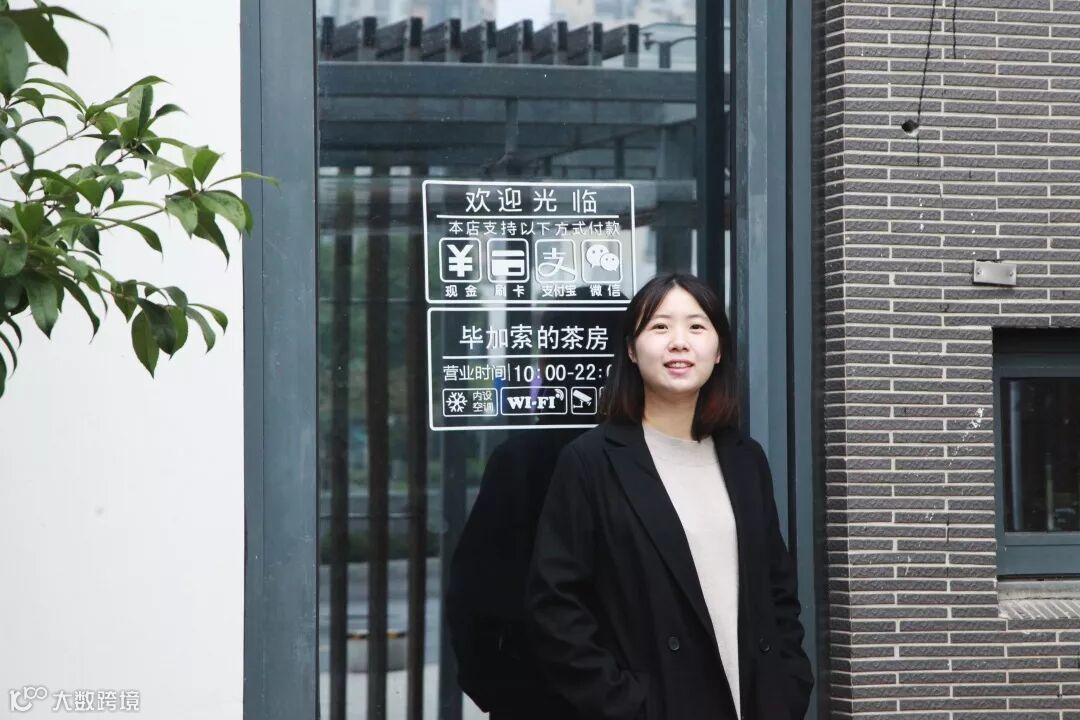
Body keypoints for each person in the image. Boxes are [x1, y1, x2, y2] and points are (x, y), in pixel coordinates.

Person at [525, 272, 814, 720]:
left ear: (718, 350)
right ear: (631, 349)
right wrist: (625, 704)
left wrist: (788, 685)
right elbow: (556, 609)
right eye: (660, 327)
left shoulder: (745, 459)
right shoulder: (591, 461)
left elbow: (778, 592)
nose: (679, 342)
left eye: (697, 326)